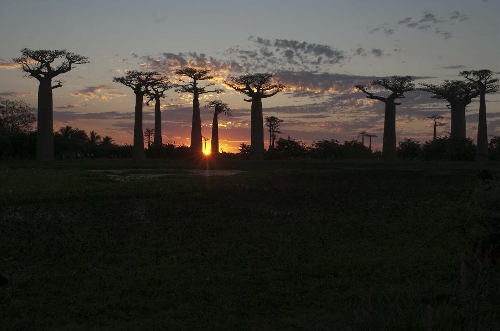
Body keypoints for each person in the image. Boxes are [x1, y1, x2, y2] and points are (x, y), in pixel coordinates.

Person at [460, 170, 500, 301]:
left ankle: (464, 293)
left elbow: (469, 209)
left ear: (482, 180)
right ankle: (488, 294)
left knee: (466, 261)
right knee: (490, 262)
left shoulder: (478, 193)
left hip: (479, 233)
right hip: (495, 234)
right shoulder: (498, 191)